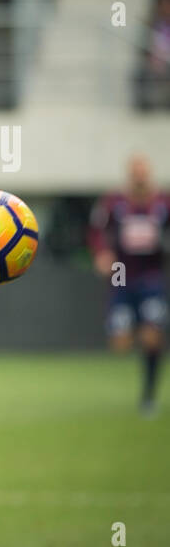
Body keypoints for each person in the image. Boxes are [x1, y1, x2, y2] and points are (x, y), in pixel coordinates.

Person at [89, 154, 170, 415]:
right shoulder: (113, 202)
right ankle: (131, 324)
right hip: (121, 276)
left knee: (152, 338)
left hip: (151, 276)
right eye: (135, 172)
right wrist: (101, 253)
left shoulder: (163, 201)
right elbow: (96, 231)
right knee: (121, 343)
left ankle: (148, 396)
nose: (139, 177)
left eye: (143, 172)